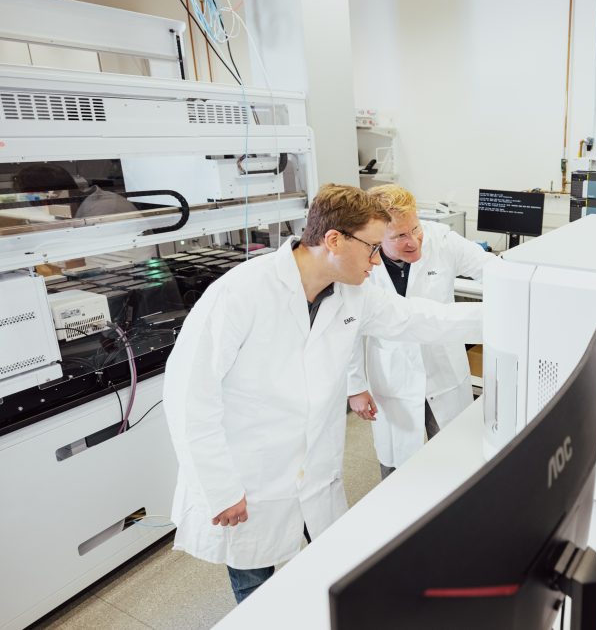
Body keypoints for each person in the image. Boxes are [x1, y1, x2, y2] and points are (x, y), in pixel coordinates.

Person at [162, 184, 482, 604]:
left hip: (315, 470)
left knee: (331, 572)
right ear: (333, 240)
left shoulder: (351, 292)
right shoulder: (241, 293)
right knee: (257, 589)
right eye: (371, 248)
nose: (376, 260)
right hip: (249, 479)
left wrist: (509, 314)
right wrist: (219, 488)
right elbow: (190, 396)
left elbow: (422, 319)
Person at [347, 185, 495, 479]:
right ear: (376, 234)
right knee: (395, 464)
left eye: (415, 228)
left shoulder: (441, 240)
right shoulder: (360, 261)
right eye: (400, 236)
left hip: (444, 368)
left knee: (458, 460)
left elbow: (495, 272)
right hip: (393, 375)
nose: (414, 240)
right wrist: (355, 386)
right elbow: (349, 326)